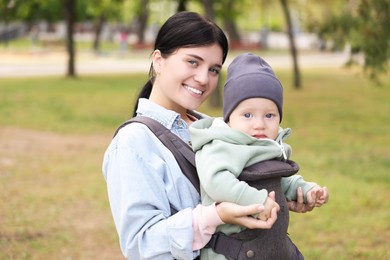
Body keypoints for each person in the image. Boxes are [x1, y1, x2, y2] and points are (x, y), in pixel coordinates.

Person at [102, 12, 314, 260]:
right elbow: (140, 244)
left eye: (213, 69)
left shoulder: (212, 127)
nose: (203, 79)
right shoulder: (133, 143)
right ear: (158, 60)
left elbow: (247, 177)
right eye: (193, 62)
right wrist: (216, 216)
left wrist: (279, 194)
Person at [189, 53, 329, 259]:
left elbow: (276, 180)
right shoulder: (222, 144)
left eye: (269, 115)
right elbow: (216, 181)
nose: (259, 124)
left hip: (271, 248)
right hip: (234, 252)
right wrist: (256, 201)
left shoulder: (265, 145)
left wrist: (305, 189)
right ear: (229, 119)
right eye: (247, 115)